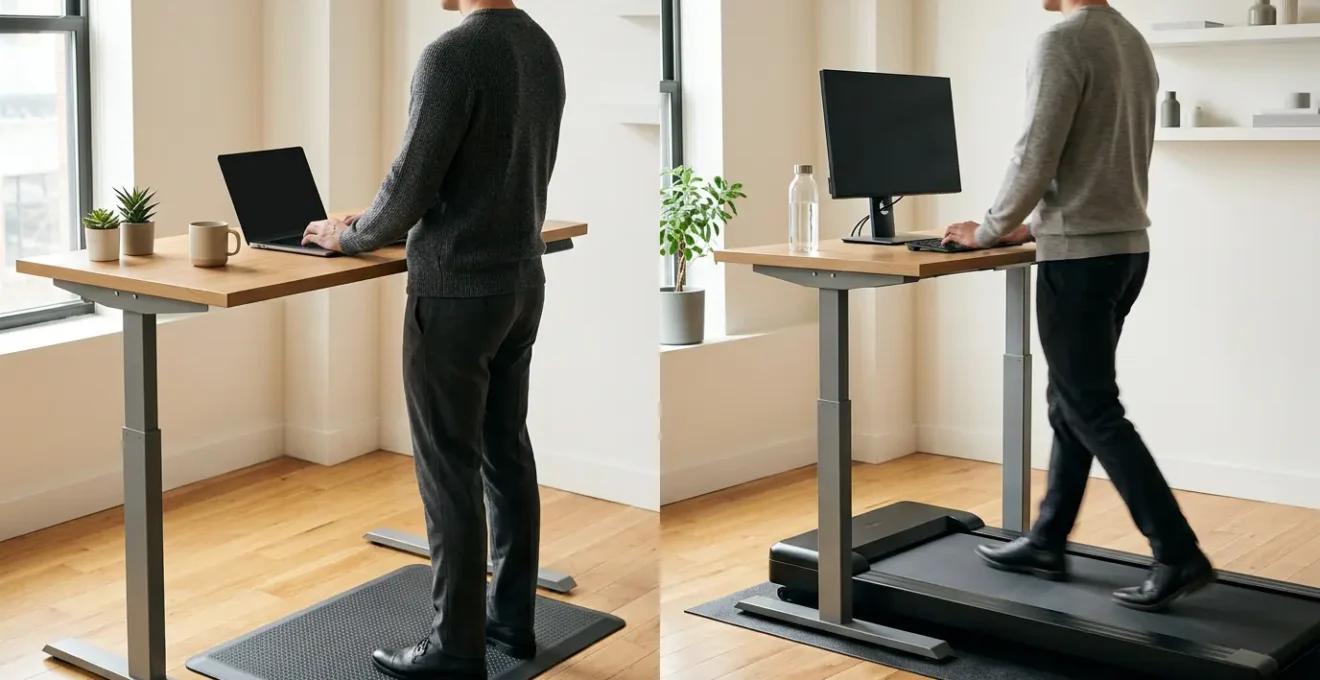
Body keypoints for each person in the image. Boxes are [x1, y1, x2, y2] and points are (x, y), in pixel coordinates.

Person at [301, 0, 564, 676]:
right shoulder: (540, 48)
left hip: (454, 294)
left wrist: (350, 233)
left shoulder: (452, 55)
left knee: (448, 468)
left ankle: (455, 650)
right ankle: (511, 625)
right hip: (519, 284)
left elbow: (413, 181)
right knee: (506, 454)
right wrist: (382, 217)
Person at [940, 0, 1214, 613]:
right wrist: (1031, 228)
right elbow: (1098, 157)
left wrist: (989, 230)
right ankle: (1047, 538)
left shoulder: (1061, 41)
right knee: (1072, 400)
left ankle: (1177, 550)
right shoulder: (1129, 40)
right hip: (1124, 251)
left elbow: (1034, 152)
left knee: (1091, 406)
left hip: (1081, 259)